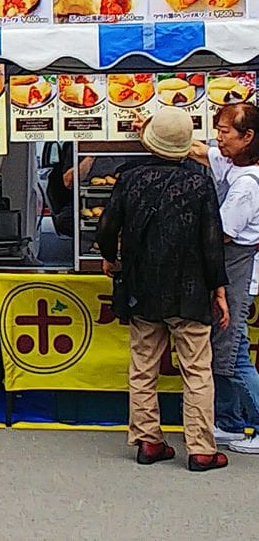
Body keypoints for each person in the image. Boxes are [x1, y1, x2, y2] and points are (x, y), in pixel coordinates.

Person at [95, 106, 229, 472]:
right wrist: (218, 289)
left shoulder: (131, 179)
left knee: (143, 365)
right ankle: (201, 448)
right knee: (197, 369)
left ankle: (148, 441)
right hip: (190, 289)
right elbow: (211, 240)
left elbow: (107, 227)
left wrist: (110, 257)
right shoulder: (200, 182)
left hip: (142, 287)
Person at [184, 102, 259, 453]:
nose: (219, 139)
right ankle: (228, 422)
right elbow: (200, 152)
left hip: (234, 264)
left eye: (226, 132)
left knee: (235, 350)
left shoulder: (248, 183)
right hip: (226, 264)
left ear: (248, 137)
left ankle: (256, 421)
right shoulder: (233, 163)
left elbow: (223, 233)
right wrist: (151, 126)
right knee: (222, 347)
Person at [44, 142, 94, 237]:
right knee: (63, 221)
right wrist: (91, 155)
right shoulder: (75, 146)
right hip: (83, 204)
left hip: (119, 202)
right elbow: (69, 182)